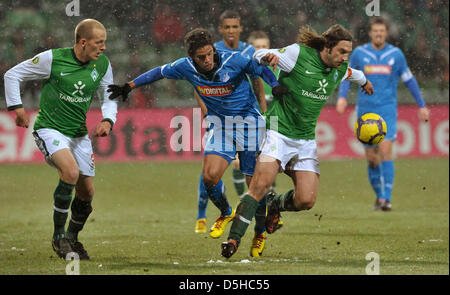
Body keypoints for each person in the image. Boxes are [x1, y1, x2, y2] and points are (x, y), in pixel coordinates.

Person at [107, 28, 283, 257]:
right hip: (221, 127)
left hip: (249, 124)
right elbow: (159, 72)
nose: (208, 60)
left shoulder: (235, 59)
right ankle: (226, 211)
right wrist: (128, 86)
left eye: (210, 54)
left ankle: (259, 233)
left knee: (255, 189)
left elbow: (258, 69)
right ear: (191, 57)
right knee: (210, 177)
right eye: (201, 57)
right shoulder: (185, 66)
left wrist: (276, 85)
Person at [221, 24, 374, 258]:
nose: (345, 58)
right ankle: (234, 238)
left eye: (348, 53)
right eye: (342, 52)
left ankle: (276, 205)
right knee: (260, 186)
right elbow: (257, 54)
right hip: (277, 131)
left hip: (305, 140)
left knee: (306, 200)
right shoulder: (297, 54)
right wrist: (267, 56)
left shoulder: (340, 69)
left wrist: (365, 83)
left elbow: (357, 74)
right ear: (327, 47)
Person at [4, 19, 117, 260]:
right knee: (70, 173)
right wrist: (18, 108)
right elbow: (12, 75)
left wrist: (108, 119)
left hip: (78, 133)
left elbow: (108, 95)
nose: (103, 48)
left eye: (104, 43)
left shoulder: (103, 64)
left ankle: (73, 238)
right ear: (83, 42)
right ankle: (58, 237)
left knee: (86, 193)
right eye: (99, 43)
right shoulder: (53, 59)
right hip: (50, 128)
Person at [336, 17, 430, 211]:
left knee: (386, 150)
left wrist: (421, 105)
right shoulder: (360, 54)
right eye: (375, 31)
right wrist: (342, 97)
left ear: (386, 33)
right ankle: (379, 197)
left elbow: (409, 80)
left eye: (382, 31)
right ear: (370, 33)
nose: (378, 34)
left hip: (387, 110)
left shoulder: (396, 55)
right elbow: (347, 76)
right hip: (365, 111)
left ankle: (386, 198)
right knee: (371, 158)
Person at [194, 11, 268, 237]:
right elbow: (197, 83)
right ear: (220, 29)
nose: (231, 31)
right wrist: (208, 113)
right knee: (210, 168)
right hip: (218, 118)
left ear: (240, 28)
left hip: (247, 118)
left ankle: (259, 222)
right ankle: (202, 214)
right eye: (227, 27)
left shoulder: (248, 51)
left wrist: (264, 110)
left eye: (234, 27)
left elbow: (258, 79)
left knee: (250, 173)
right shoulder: (210, 51)